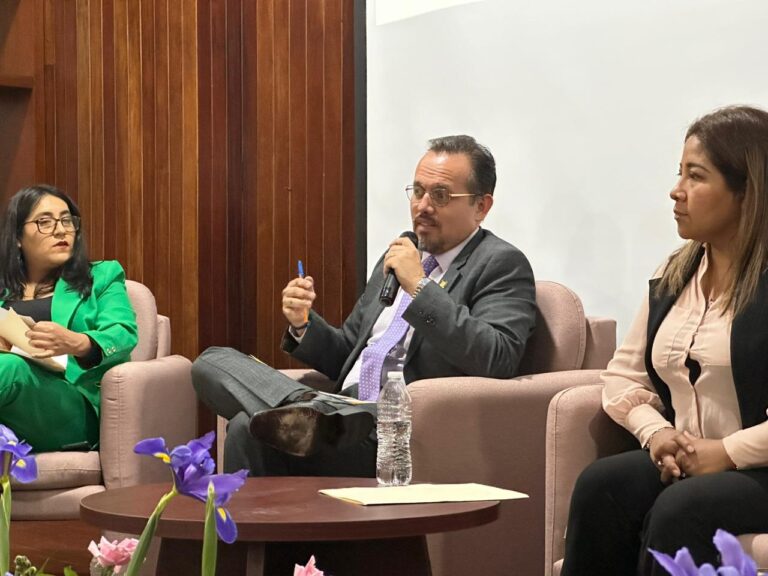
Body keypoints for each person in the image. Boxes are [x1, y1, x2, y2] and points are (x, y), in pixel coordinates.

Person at [192, 134, 537, 477]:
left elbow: (498, 356)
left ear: (481, 206)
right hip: (346, 413)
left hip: (393, 429)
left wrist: (420, 287)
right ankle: (315, 411)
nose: (423, 206)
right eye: (417, 191)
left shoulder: (500, 264)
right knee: (211, 362)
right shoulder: (399, 254)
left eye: (441, 195)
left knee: (247, 426)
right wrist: (304, 326)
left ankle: (316, 415)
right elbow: (348, 353)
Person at [560, 105, 768, 575]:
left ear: (746, 192)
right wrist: (657, 433)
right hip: (695, 460)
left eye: (696, 177)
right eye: (680, 174)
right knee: (603, 484)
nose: (676, 192)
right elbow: (622, 376)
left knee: (683, 508)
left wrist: (727, 453)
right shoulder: (675, 273)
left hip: (757, 468)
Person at [0, 184, 138, 453]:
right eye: (45, 222)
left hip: (71, 408)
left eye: (67, 220)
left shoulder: (102, 276)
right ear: (17, 236)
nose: (61, 230)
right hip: (11, 411)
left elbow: (124, 332)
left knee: (10, 369)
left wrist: (77, 342)